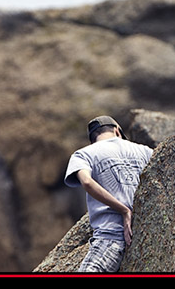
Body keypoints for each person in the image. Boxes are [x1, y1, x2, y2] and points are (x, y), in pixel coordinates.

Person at [64, 115, 153, 272]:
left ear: (93, 139)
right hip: (144, 232)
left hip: (110, 236)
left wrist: (124, 210)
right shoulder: (145, 151)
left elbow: (86, 182)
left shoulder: (84, 154)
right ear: (117, 131)